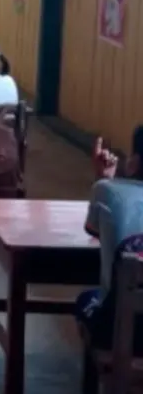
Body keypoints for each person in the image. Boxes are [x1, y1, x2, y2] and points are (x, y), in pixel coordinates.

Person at [76, 131, 143, 352]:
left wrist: (104, 178)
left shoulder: (106, 191)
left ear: (133, 163)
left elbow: (94, 229)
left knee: (86, 299)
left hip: (117, 328)